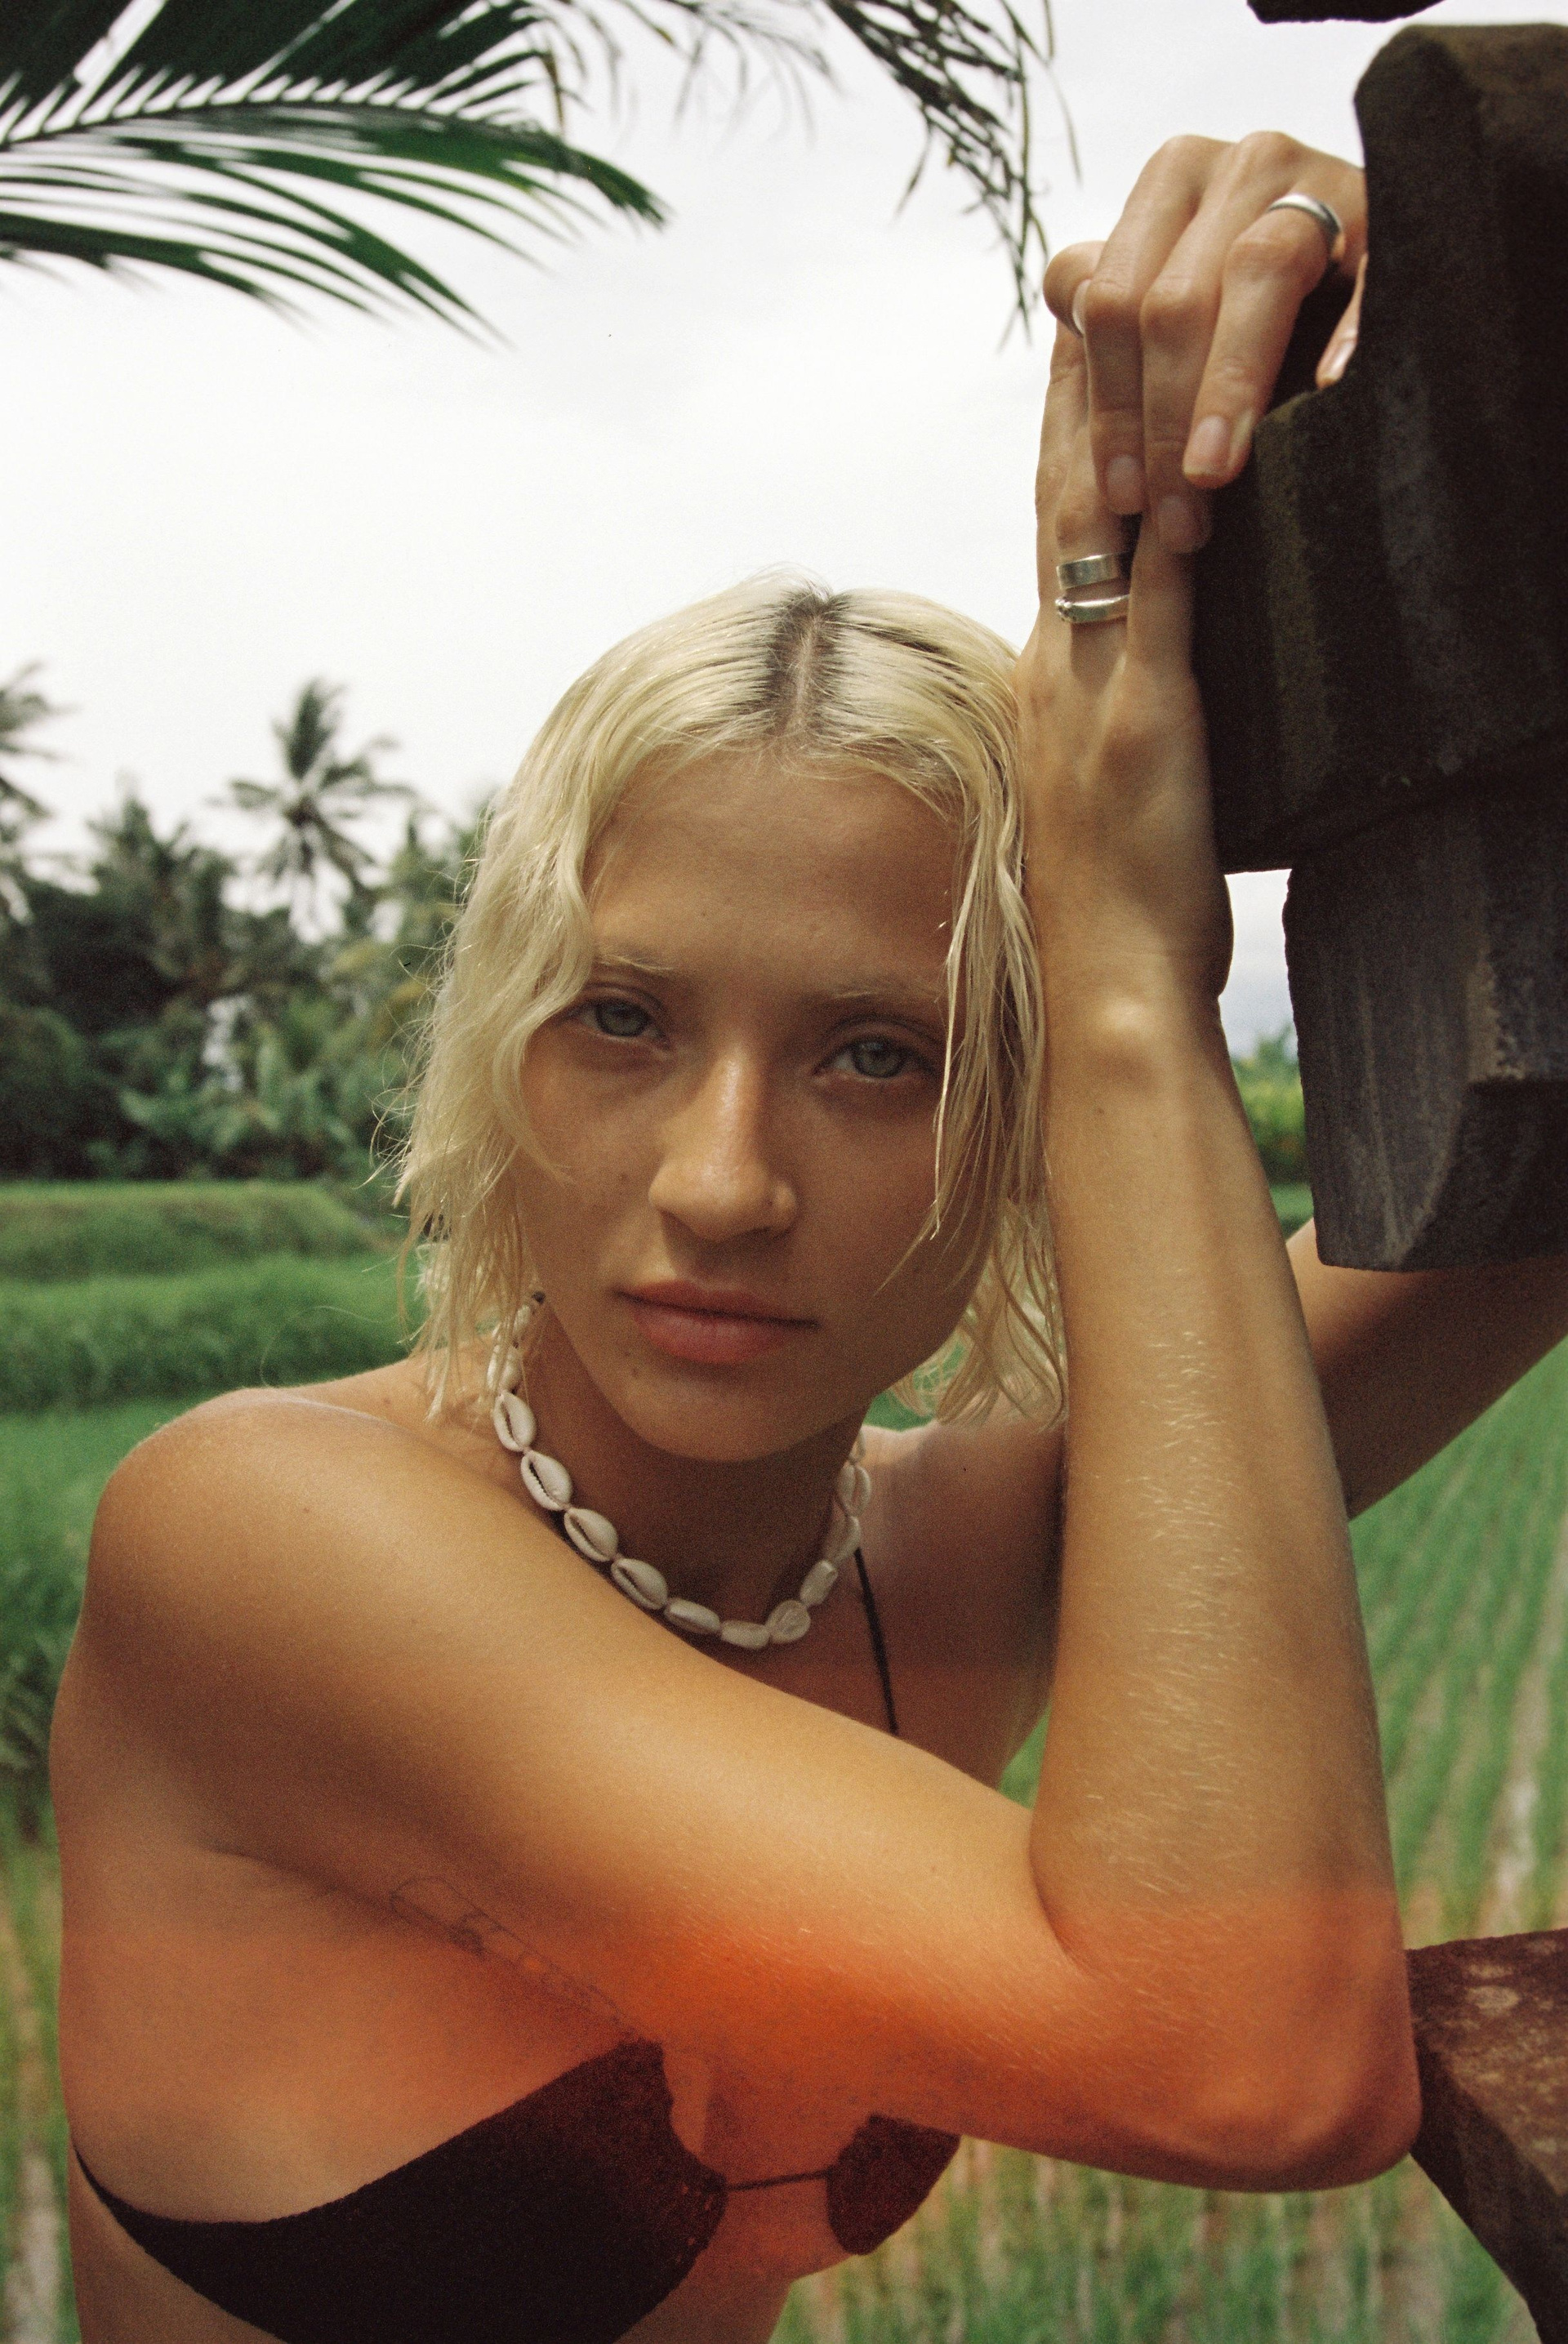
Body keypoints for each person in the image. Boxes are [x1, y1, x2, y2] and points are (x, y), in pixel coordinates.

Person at [52, 130, 1568, 2344]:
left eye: (880, 1054)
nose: (722, 1181)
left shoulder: (962, 1553)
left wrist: (1459, 318)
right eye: (624, 1019)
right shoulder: (259, 1542)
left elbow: (1536, 1168)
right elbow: (1251, 2060)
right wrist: (1126, 982)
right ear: (498, 1041)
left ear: (1007, 1114)